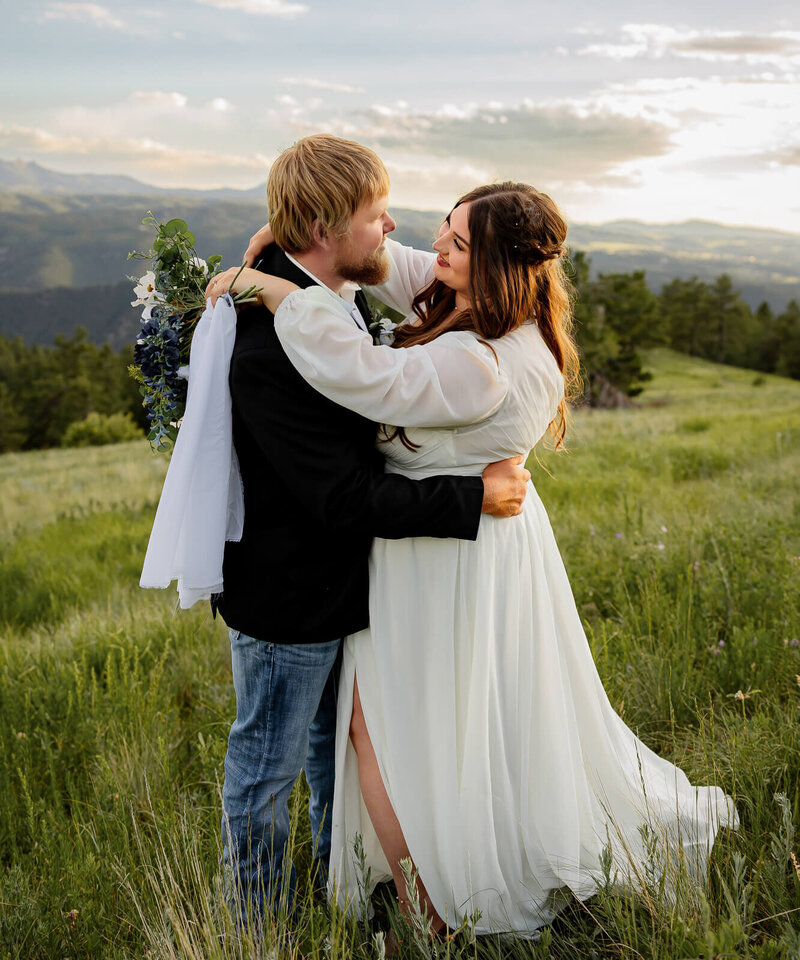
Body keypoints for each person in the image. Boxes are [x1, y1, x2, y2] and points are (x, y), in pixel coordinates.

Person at [210, 176, 738, 937]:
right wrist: (302, 237)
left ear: (492, 263)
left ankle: (432, 908)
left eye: (456, 242)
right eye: (446, 231)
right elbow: (391, 263)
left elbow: (365, 377)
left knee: (381, 723)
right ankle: (434, 874)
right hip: (470, 550)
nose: (436, 248)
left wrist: (266, 287)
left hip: (443, 560)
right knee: (453, 719)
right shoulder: (500, 307)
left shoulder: (482, 364)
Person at [211, 135, 532, 924]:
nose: (394, 228)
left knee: (335, 763)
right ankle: (255, 927)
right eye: (375, 214)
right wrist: (471, 497)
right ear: (324, 225)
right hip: (288, 596)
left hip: (346, 590)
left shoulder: (334, 288)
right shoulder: (268, 348)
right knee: (265, 768)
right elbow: (344, 497)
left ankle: (340, 896)